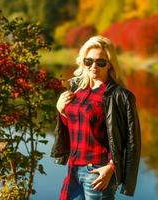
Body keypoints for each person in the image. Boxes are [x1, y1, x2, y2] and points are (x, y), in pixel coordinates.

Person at [51, 35, 141, 200]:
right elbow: (73, 125)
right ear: (83, 62)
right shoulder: (76, 89)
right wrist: (61, 110)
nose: (94, 66)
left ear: (110, 65)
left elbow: (130, 140)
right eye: (89, 61)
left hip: (98, 172)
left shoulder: (119, 96)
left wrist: (112, 167)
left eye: (100, 62)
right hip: (73, 169)